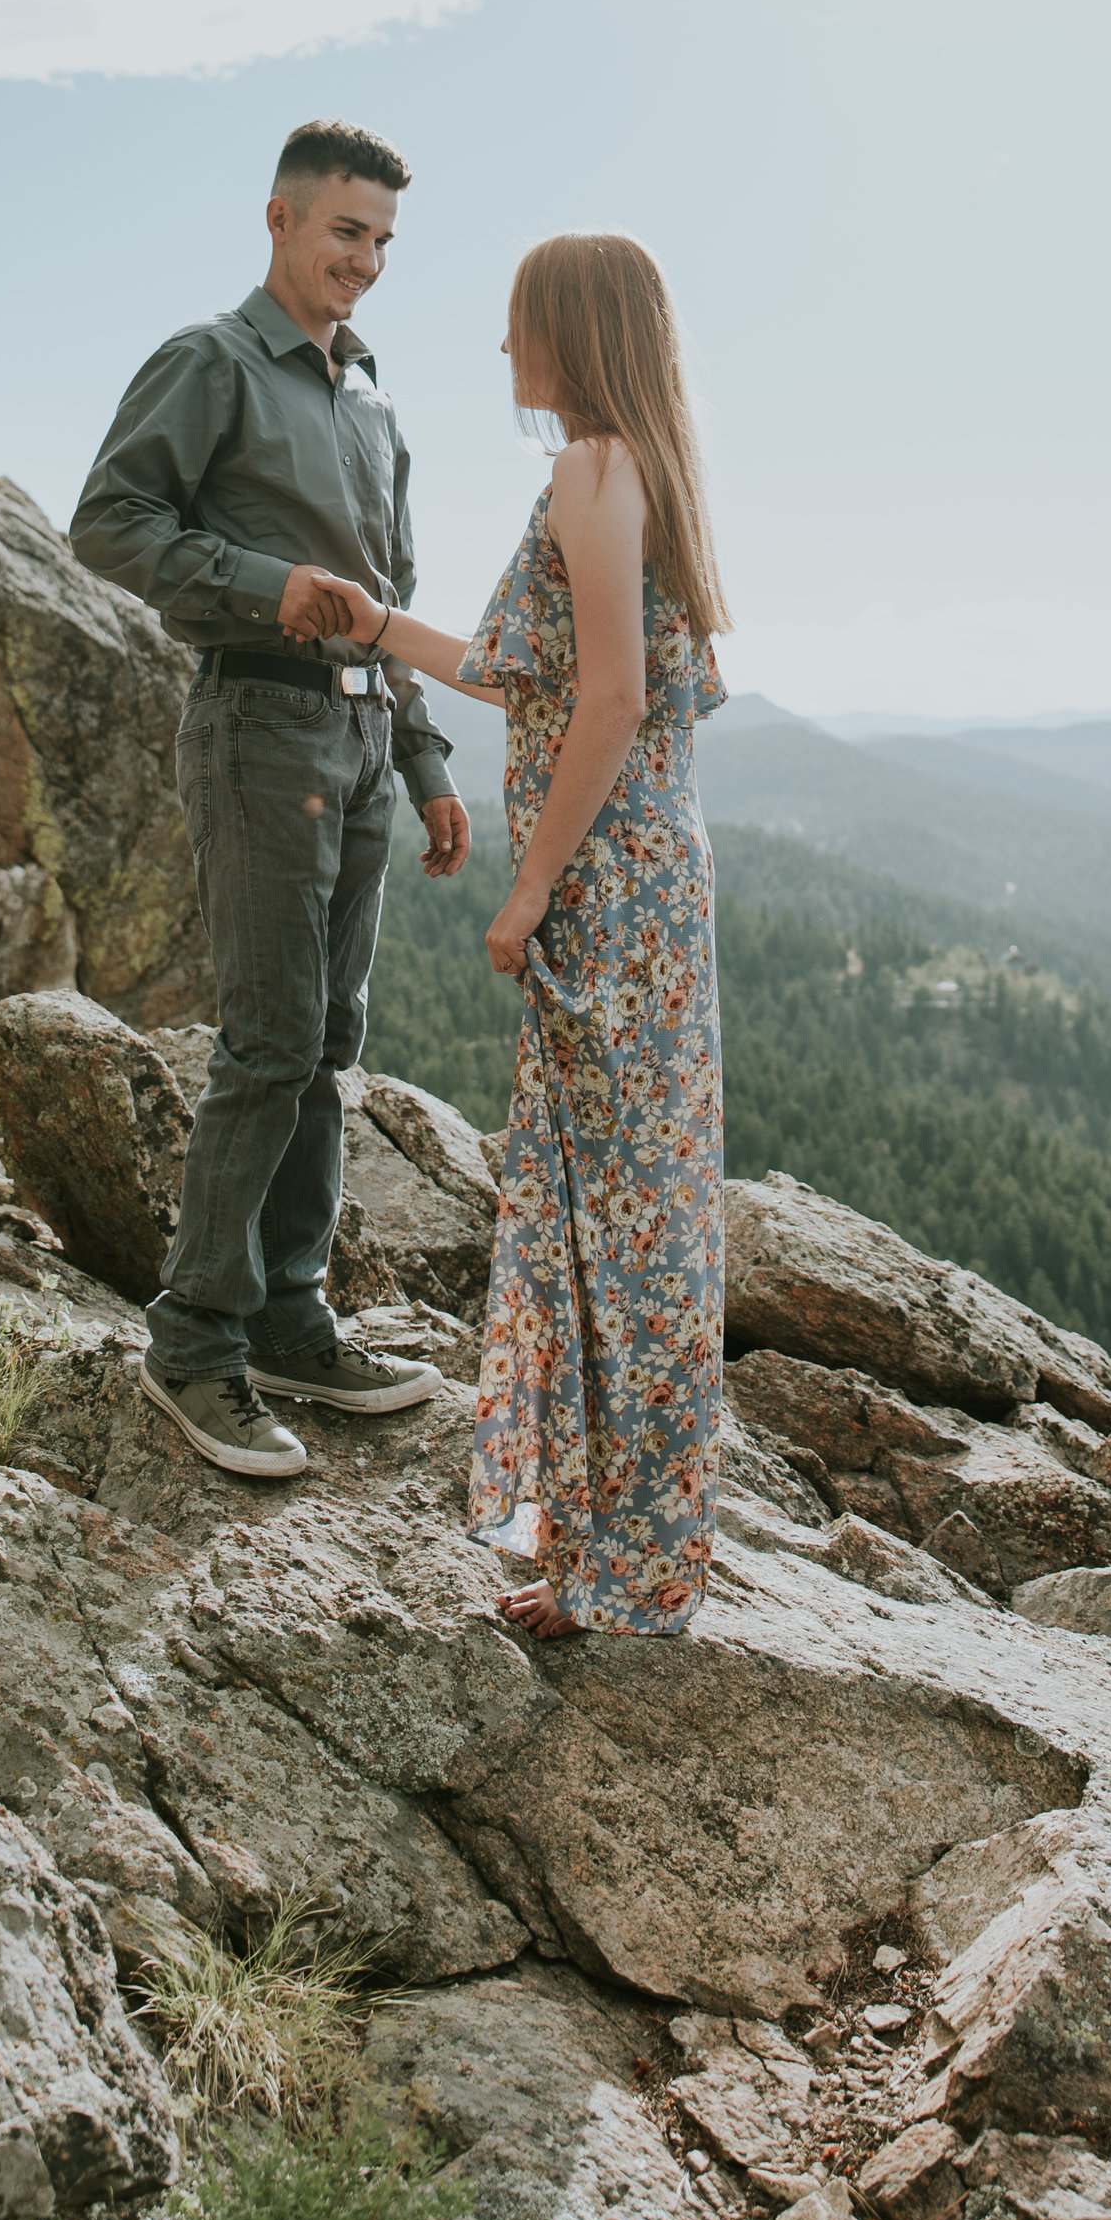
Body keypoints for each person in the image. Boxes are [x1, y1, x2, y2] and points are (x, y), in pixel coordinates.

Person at [320, 229, 728, 1635]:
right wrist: (378, 622)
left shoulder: (593, 468)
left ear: (576, 327)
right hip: (655, 881)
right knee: (630, 1206)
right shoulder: (647, 469)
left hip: (610, 888)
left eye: (521, 321)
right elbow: (525, 674)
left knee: (612, 1220)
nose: (505, 348)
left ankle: (624, 1567)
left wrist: (531, 883)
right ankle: (615, 1544)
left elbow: (609, 699)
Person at [70, 118, 473, 1480]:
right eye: (346, 230)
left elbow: (391, 601)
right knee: (269, 1039)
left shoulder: (373, 402)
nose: (365, 260)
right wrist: (266, 586)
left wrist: (424, 764)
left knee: (331, 1041)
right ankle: (193, 1345)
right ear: (280, 219)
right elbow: (108, 522)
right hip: (257, 724)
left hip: (360, 741)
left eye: (383, 240)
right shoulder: (211, 363)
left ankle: (293, 1321)